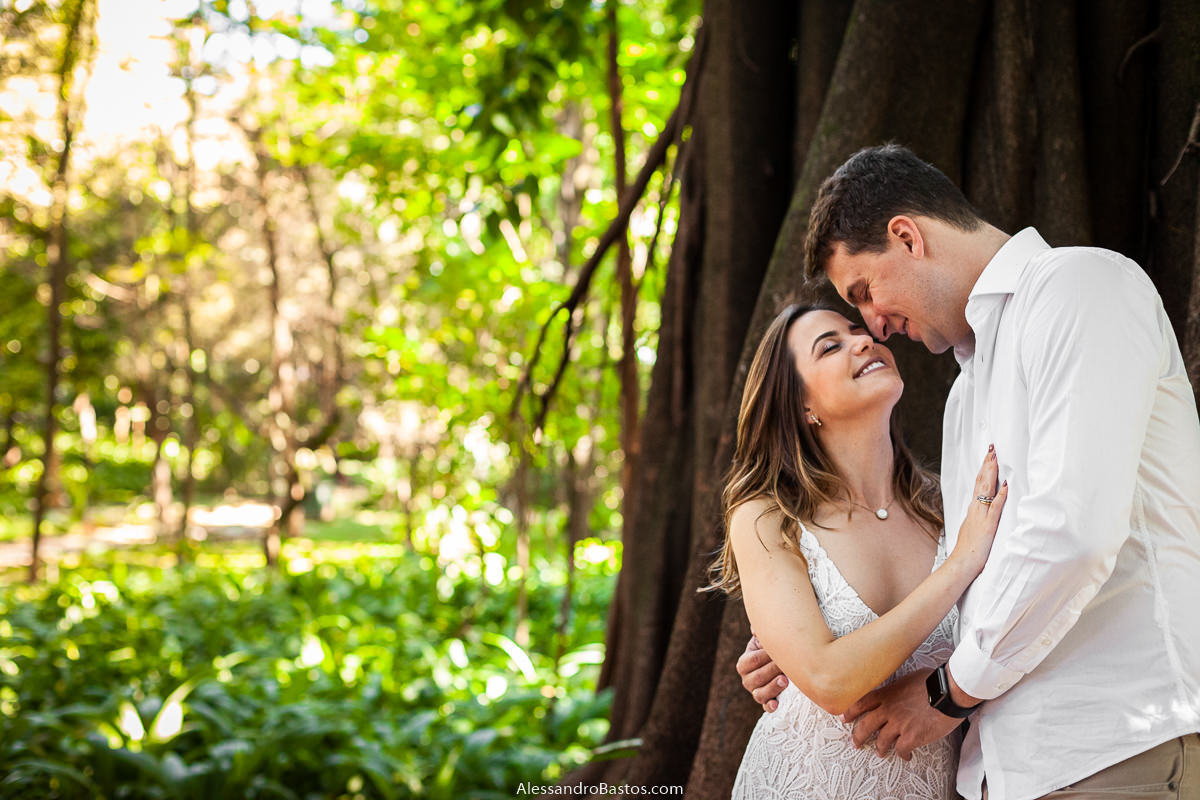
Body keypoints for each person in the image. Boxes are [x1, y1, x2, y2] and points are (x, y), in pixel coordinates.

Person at [738, 144, 1200, 800]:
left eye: (865, 294)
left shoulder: (1080, 289)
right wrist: (804, 644)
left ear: (906, 235)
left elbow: (1074, 533)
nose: (875, 328)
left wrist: (947, 693)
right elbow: (978, 587)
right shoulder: (966, 394)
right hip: (1004, 771)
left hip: (1115, 746)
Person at [708, 302, 1008, 799]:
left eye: (858, 332)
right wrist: (960, 565)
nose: (864, 341)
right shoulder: (769, 516)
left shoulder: (954, 505)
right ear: (800, 405)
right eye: (831, 347)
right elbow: (829, 679)